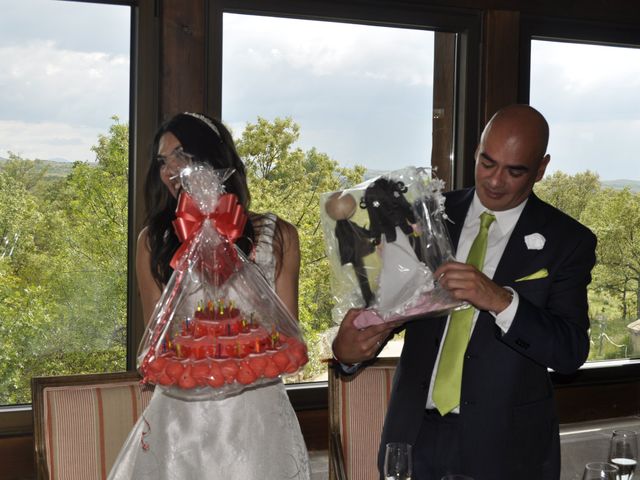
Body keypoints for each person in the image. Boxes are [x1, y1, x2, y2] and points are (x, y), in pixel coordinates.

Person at [332, 104, 597, 480]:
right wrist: (349, 352)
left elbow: (570, 352)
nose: (494, 180)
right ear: (477, 151)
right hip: (413, 436)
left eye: (514, 170)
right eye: (487, 162)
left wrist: (501, 300)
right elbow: (386, 309)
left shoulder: (568, 241)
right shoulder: (427, 218)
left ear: (540, 169)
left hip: (506, 449)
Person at [108, 112, 310, 480]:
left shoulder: (277, 236)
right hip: (182, 420)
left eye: (181, 155)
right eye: (162, 162)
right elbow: (157, 341)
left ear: (216, 158)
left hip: (257, 416)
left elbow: (287, 334)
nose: (170, 170)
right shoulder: (153, 242)